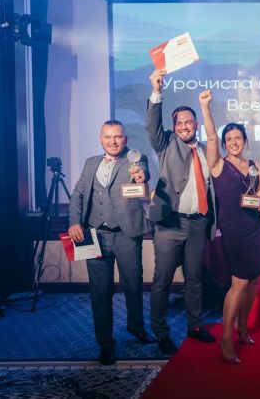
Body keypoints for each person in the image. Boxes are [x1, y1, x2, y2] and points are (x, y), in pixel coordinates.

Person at [68, 120, 155, 365]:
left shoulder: (136, 159)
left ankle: (136, 327)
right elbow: (77, 195)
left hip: (126, 234)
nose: (113, 141)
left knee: (133, 285)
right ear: (101, 139)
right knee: (100, 292)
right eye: (108, 137)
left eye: (118, 136)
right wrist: (74, 223)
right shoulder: (91, 163)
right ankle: (105, 344)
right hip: (94, 234)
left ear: (125, 139)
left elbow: (143, 174)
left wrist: (140, 176)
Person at [145, 70, 218, 355]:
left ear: (196, 125)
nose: (185, 126)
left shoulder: (206, 150)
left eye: (189, 122)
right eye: (179, 123)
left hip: (198, 224)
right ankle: (161, 332)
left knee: (194, 280)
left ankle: (195, 326)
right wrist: (157, 92)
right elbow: (152, 126)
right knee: (162, 281)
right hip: (170, 224)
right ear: (174, 127)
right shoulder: (165, 145)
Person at [205, 117, 260, 364]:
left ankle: (242, 326)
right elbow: (210, 135)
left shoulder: (254, 165)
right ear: (223, 143)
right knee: (239, 283)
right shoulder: (217, 164)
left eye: (238, 138)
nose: (233, 142)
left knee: (254, 280)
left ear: (245, 141)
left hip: (256, 228)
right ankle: (226, 337)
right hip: (234, 230)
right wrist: (206, 108)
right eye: (229, 139)